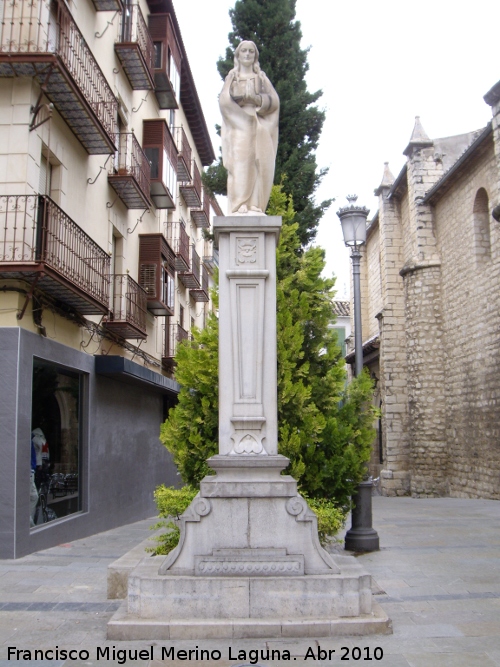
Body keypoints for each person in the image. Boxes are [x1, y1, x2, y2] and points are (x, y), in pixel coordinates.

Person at [219, 40, 279, 215]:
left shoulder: (261, 78)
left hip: (257, 124)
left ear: (255, 56)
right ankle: (239, 204)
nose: (247, 54)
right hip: (239, 125)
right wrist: (240, 99)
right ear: (238, 55)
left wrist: (257, 99)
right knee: (240, 162)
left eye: (250, 52)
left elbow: (274, 102)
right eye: (243, 51)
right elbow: (223, 101)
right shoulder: (232, 78)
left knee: (257, 162)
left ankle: (255, 203)